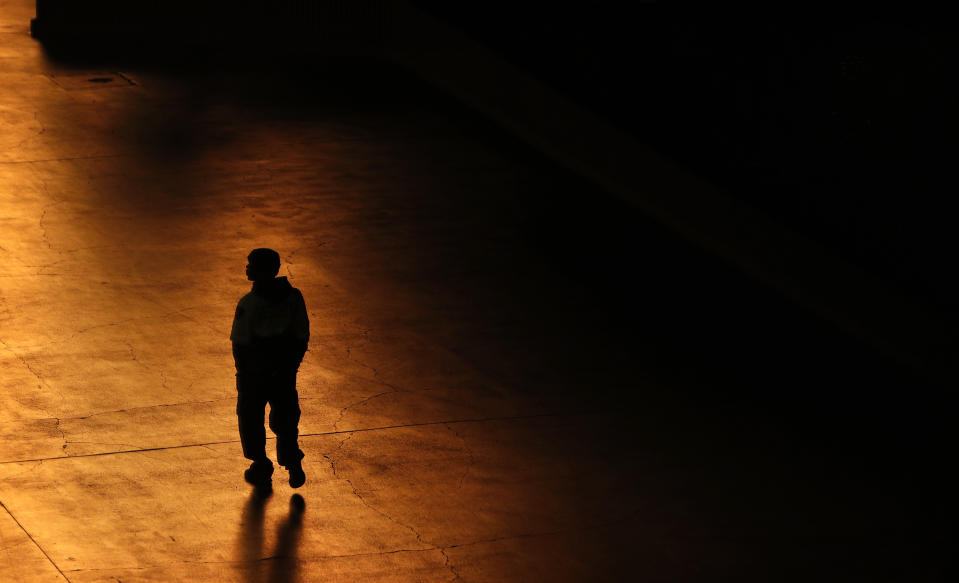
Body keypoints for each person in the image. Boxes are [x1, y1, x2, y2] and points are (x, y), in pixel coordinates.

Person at [230, 248, 310, 489]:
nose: (247, 268)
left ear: (261, 271)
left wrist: (243, 372)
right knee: (285, 418)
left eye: (250, 265)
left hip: (254, 374)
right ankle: (292, 462)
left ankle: (261, 462)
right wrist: (290, 365)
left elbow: (240, 342)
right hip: (283, 371)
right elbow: (301, 334)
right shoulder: (294, 298)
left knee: (250, 417)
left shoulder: (249, 303)